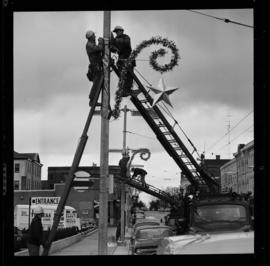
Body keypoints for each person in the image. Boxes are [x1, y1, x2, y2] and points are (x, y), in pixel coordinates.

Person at [111, 26, 135, 95]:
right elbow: (112, 48)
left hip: (128, 58)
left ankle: (127, 89)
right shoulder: (116, 39)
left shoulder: (126, 37)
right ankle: (123, 89)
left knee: (130, 76)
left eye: (117, 32)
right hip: (121, 59)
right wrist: (113, 46)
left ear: (121, 31)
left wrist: (114, 41)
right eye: (115, 32)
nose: (116, 33)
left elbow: (125, 43)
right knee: (122, 74)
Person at [85, 30, 104, 105]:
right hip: (95, 67)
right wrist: (101, 42)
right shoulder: (89, 45)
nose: (95, 37)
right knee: (96, 84)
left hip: (97, 66)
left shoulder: (91, 44)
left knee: (98, 83)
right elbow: (100, 48)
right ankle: (92, 100)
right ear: (91, 37)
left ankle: (93, 100)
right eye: (94, 35)